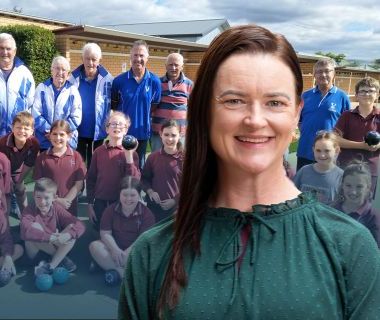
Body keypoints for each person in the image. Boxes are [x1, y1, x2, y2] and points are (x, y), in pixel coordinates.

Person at [119, 25, 380, 319]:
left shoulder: (351, 248)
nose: (255, 120)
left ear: (296, 113)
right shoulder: (152, 252)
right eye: (234, 100)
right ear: (205, 111)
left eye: (274, 102)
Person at [89, 176, 155, 282]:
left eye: (133, 195)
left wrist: (125, 255)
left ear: (139, 195)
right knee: (94, 246)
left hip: (135, 251)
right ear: (119, 194)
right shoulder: (109, 210)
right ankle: (123, 273)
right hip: (115, 250)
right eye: (125, 194)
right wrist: (114, 249)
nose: (128, 199)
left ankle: (109, 267)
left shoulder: (147, 214)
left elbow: (143, 240)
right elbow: (105, 234)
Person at [111, 40, 161, 169]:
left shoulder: (155, 82)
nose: (138, 59)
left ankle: (136, 190)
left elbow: (154, 106)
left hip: (142, 134)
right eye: (135, 55)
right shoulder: (118, 81)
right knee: (120, 168)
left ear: (147, 58)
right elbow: (115, 106)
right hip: (121, 134)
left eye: (142, 55)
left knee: (138, 170)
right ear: (130, 57)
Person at [86, 111, 140, 231]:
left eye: (121, 124)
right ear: (107, 129)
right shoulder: (98, 152)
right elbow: (91, 179)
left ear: (126, 130)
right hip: (101, 203)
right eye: (113, 124)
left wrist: (129, 155)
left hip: (122, 204)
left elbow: (133, 180)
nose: (117, 127)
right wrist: (90, 205)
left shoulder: (132, 153)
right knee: (101, 235)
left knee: (119, 237)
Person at [20, 178, 85, 275]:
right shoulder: (29, 210)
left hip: (52, 246)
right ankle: (61, 259)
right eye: (38, 197)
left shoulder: (56, 208)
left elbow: (80, 225)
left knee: (72, 228)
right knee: (34, 227)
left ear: (54, 198)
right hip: (36, 254)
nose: (42, 202)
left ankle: (51, 266)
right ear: (34, 196)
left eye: (46, 198)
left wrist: (67, 236)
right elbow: (25, 230)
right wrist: (51, 237)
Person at [296, 57, 350, 170]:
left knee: (327, 187)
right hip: (305, 151)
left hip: (329, 154)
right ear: (314, 75)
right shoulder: (305, 96)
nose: (323, 74)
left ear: (334, 73)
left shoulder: (342, 97)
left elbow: (347, 126)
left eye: (327, 71)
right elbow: (299, 122)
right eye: (319, 72)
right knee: (302, 186)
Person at [69, 43, 113, 168]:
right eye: (87, 58)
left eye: (94, 59)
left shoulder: (108, 80)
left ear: (100, 60)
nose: (90, 63)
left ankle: (93, 188)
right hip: (78, 131)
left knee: (96, 167)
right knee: (78, 166)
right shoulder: (72, 79)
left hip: (98, 132)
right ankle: (79, 187)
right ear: (82, 59)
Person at [334, 76, 379, 198]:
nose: (367, 94)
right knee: (341, 202)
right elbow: (335, 139)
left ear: (377, 94)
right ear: (357, 95)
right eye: (363, 91)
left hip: (370, 170)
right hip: (345, 166)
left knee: (364, 205)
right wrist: (361, 146)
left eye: (371, 91)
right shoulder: (347, 115)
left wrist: (377, 145)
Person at [33, 120, 86, 216]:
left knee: (69, 230)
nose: (58, 138)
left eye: (62, 134)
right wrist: (57, 200)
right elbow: (39, 185)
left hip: (69, 207)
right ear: (49, 136)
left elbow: (78, 184)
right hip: (47, 206)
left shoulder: (76, 156)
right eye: (54, 134)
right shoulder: (42, 158)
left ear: (69, 136)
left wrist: (66, 200)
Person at [0, 111, 40, 217]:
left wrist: (19, 181)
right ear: (12, 127)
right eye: (18, 127)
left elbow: (29, 163)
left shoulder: (34, 143)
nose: (22, 131)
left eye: (26, 128)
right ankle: (3, 221)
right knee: (7, 192)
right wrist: (8, 182)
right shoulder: (3, 144)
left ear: (32, 131)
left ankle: (26, 217)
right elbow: (1, 166)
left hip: (15, 168)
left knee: (20, 189)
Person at [33, 56, 82, 151]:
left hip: (67, 142)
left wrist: (59, 133)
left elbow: (76, 117)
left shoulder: (73, 91)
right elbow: (35, 113)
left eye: (64, 70)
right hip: (44, 140)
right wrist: (50, 131)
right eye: (57, 68)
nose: (60, 72)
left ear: (68, 74)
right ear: (52, 70)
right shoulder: (42, 88)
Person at [142, 120, 183, 222]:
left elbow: (191, 186)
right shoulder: (153, 157)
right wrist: (150, 192)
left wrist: (175, 201)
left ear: (180, 136)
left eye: (173, 135)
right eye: (166, 134)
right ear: (160, 134)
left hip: (176, 211)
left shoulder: (185, 159)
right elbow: (144, 179)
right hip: (154, 209)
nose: (169, 139)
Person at [151, 53, 193, 151]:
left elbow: (194, 109)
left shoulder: (190, 85)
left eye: (176, 65)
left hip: (180, 134)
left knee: (179, 163)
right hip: (159, 132)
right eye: (170, 65)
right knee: (157, 162)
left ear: (182, 66)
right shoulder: (157, 83)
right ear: (165, 65)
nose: (173, 68)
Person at [332, 161, 379, 247]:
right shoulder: (332, 211)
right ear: (342, 185)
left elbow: (375, 251)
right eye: (348, 185)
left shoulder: (373, 217)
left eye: (359, 187)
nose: (353, 192)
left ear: (368, 187)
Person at [293, 131, 344, 205]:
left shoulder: (341, 176)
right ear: (313, 150)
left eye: (327, 151)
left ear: (336, 151)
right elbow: (292, 196)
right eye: (318, 151)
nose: (322, 155)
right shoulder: (304, 171)